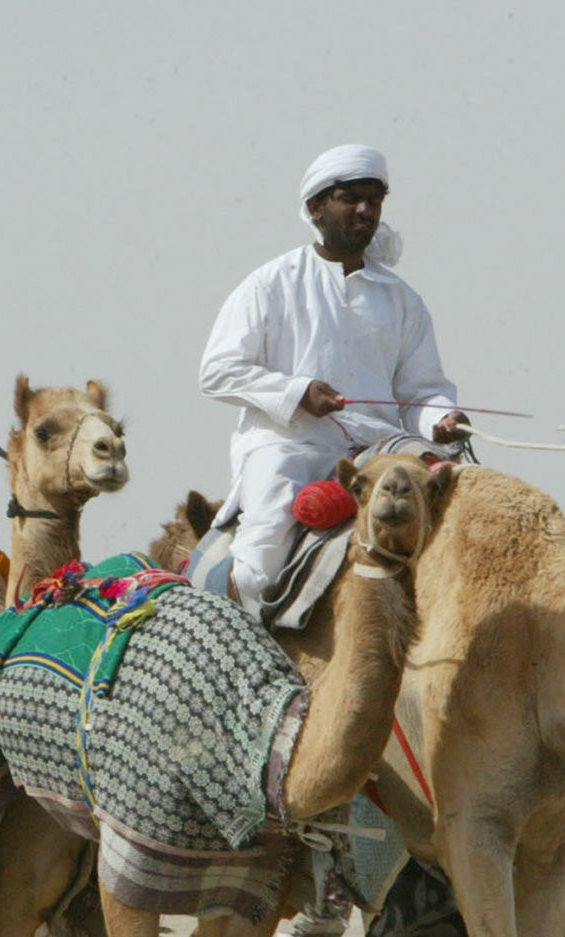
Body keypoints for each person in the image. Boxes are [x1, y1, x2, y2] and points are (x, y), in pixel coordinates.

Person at [198, 144, 467, 618]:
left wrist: (442, 419)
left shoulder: (402, 300)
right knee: (257, 570)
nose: (365, 210)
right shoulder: (270, 284)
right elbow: (218, 370)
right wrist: (297, 392)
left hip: (378, 449)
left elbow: (422, 390)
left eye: (375, 199)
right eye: (351, 198)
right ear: (316, 208)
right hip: (289, 447)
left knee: (463, 510)